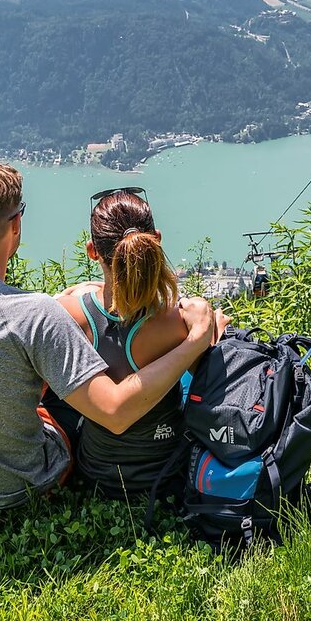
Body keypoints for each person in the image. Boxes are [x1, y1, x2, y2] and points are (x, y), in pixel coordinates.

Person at [0, 164, 227, 516]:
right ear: (16, 226)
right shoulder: (33, 314)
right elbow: (113, 411)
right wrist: (196, 340)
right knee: (66, 397)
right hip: (16, 490)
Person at [52, 188, 194, 498]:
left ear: (93, 251)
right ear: (155, 239)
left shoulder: (68, 315)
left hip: (97, 476)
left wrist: (75, 294)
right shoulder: (180, 321)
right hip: (168, 472)